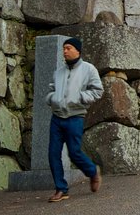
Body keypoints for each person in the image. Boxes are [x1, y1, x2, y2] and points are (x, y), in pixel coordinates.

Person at [46, 37, 104, 202]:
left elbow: (98, 90)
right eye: (64, 48)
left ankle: (92, 172)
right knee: (53, 154)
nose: (65, 51)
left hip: (75, 117)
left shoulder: (89, 70)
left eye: (68, 48)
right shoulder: (59, 71)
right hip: (57, 117)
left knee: (74, 153)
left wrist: (80, 97)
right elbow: (51, 88)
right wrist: (52, 98)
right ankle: (61, 189)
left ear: (77, 50)